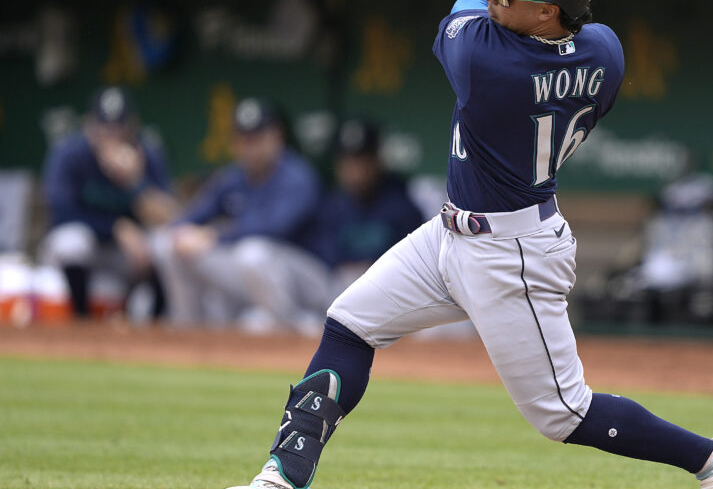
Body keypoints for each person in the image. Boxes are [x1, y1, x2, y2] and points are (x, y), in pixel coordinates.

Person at [216, 0, 713, 489]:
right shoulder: (606, 52)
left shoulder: (483, 60)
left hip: (511, 254)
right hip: (450, 234)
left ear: (546, 10)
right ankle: (286, 477)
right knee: (351, 322)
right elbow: (561, 25)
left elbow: (466, 4)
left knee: (563, 413)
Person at [151, 97, 325, 334]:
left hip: (307, 275)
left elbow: (274, 227)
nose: (249, 148)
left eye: (256, 139)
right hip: (257, 271)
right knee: (167, 242)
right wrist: (184, 233)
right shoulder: (233, 177)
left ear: (276, 137)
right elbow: (193, 216)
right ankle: (187, 327)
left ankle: (287, 325)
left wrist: (213, 235)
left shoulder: (297, 176)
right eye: (243, 139)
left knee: (253, 252)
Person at [40, 86, 175, 318]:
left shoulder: (148, 153)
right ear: (89, 125)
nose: (112, 134)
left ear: (132, 126)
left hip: (127, 256)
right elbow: (60, 212)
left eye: (118, 126)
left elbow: (169, 217)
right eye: (104, 126)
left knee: (164, 244)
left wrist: (135, 182)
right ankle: (80, 321)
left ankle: (159, 325)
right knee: (71, 241)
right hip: (84, 253)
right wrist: (115, 227)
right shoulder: (70, 153)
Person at [311, 119, 425, 295]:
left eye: (362, 162)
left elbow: (414, 262)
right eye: (348, 163)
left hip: (391, 290)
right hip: (337, 289)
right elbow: (323, 258)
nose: (355, 172)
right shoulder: (331, 207)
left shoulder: (401, 205)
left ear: (377, 161)